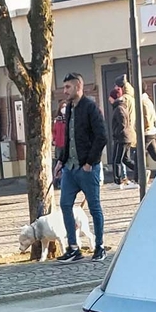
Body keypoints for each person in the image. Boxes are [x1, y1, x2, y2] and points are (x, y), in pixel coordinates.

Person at [55, 73, 108, 262]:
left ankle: (100, 246)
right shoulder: (69, 108)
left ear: (78, 87)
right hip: (70, 167)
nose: (65, 91)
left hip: (87, 168)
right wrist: (61, 161)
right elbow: (68, 138)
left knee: (95, 207)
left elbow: (101, 137)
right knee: (65, 204)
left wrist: (89, 163)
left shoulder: (90, 108)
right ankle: (73, 248)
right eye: (64, 87)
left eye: (68, 87)